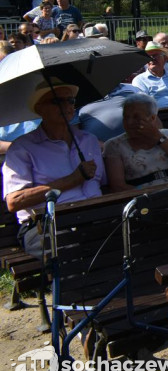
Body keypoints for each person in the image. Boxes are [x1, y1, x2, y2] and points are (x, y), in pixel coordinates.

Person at [3, 80, 106, 258]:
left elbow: (104, 184)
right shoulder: (23, 148)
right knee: (75, 249)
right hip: (48, 225)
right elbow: (14, 201)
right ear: (39, 109)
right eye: (57, 101)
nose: (67, 106)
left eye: (71, 101)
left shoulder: (88, 140)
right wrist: (71, 180)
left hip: (95, 218)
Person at [104, 93, 168, 191]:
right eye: (126, 117)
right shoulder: (114, 145)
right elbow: (118, 186)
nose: (129, 122)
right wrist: (152, 196)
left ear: (152, 118)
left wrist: (157, 137)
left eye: (136, 117)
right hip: (142, 198)